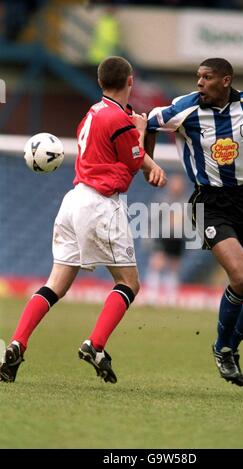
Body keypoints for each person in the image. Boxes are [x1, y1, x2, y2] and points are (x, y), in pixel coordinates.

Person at [0, 56, 166, 384]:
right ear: (130, 80)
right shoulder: (120, 120)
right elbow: (132, 164)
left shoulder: (92, 113)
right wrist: (144, 132)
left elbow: (121, 154)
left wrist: (144, 153)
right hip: (102, 205)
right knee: (129, 283)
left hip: (73, 201)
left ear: (101, 82)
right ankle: (96, 344)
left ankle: (17, 344)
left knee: (56, 284)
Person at [146, 57, 243, 387]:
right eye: (198, 77)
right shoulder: (184, 109)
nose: (199, 83)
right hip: (209, 203)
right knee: (241, 276)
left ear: (226, 80)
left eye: (207, 77)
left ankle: (228, 345)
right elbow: (148, 122)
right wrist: (147, 167)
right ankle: (223, 349)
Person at [144, 173, 186, 304]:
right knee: (157, 263)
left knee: (174, 266)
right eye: (175, 184)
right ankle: (151, 295)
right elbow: (153, 218)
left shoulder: (186, 201)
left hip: (178, 238)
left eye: (179, 184)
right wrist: (150, 235)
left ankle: (171, 296)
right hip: (163, 236)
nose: (176, 187)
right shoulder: (163, 200)